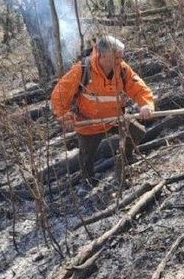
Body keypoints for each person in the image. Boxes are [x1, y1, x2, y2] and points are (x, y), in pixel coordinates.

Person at [50, 35, 155, 188]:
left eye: (121, 56)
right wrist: (64, 116)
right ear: (103, 56)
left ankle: (124, 160)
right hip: (89, 124)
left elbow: (139, 88)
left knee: (137, 131)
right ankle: (87, 182)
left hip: (115, 118)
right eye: (117, 57)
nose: (121, 60)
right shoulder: (82, 70)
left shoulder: (122, 69)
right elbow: (59, 94)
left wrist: (146, 105)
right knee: (86, 158)